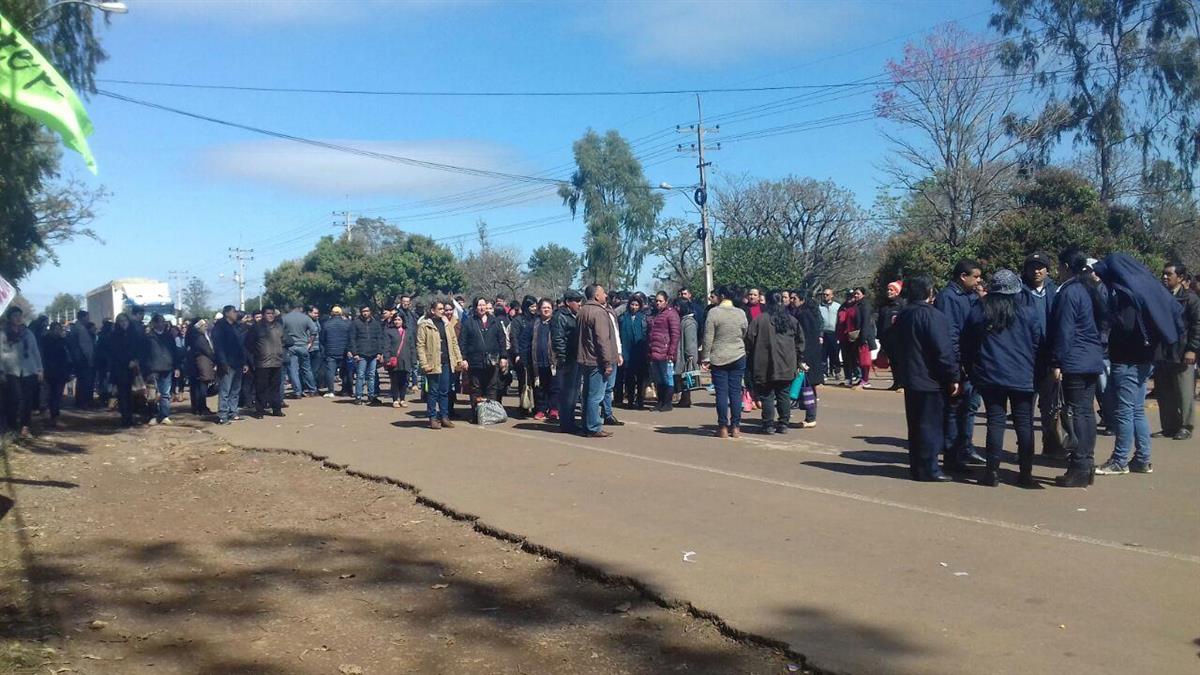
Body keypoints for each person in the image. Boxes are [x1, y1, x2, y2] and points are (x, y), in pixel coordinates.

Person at [1092, 254, 1185, 475]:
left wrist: (1109, 325)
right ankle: (1142, 459)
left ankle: (1119, 460)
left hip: (1126, 359)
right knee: (1136, 411)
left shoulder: (1125, 294)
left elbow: (1125, 326)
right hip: (1145, 358)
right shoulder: (1147, 288)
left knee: (1124, 412)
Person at [962, 270, 1044, 487]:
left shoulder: (980, 311)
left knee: (995, 422)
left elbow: (967, 343)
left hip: (990, 373)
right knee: (1024, 422)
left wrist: (973, 369)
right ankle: (1026, 473)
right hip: (1022, 374)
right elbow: (1038, 343)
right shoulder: (1027, 312)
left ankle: (992, 472)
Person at [892, 276, 960, 481]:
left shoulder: (904, 315)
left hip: (911, 377)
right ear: (929, 293)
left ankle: (918, 466)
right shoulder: (932, 316)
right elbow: (943, 350)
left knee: (916, 425)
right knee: (930, 426)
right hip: (930, 379)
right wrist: (953, 375)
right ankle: (930, 468)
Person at [1049, 249, 1106, 487]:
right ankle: (1085, 463)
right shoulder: (1089, 290)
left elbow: (1065, 330)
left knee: (1075, 412)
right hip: (1091, 357)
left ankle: (1079, 464)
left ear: (1065, 266)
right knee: (1085, 412)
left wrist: (1056, 361)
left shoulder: (1070, 291)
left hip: (1076, 359)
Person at [935, 259, 985, 470]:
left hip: (975, 361)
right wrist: (956, 366)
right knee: (954, 409)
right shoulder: (948, 297)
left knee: (971, 407)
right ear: (963, 276)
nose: (979, 280)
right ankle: (952, 455)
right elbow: (950, 333)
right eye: (975, 276)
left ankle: (965, 447)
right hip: (959, 362)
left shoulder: (972, 296)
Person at [1021, 252, 1065, 458]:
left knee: (1050, 406)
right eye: (1033, 267)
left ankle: (1052, 444)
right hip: (1027, 358)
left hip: (1049, 357)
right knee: (1025, 407)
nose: (1037, 270)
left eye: (1041, 267)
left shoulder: (1054, 291)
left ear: (1048, 270)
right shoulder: (1019, 292)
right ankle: (1025, 448)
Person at [746, 292, 805, 435]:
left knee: (767, 395)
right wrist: (798, 359)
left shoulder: (760, 320)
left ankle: (768, 425)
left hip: (764, 364)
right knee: (783, 394)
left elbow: (749, 340)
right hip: (786, 364)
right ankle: (783, 424)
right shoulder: (791, 320)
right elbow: (800, 342)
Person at [1153, 263, 1198, 441]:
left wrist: (1192, 350)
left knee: (1184, 392)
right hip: (1162, 352)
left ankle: (1186, 426)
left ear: (1180, 278)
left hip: (1182, 352)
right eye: (1163, 274)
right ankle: (1169, 426)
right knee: (1164, 392)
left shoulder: (1190, 299)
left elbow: (1197, 325)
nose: (1164, 277)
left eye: (1169, 274)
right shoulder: (1159, 296)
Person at [702, 285, 749, 438]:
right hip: (738, 354)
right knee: (736, 392)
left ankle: (722, 427)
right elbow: (744, 332)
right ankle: (736, 427)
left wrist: (705, 357)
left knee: (721, 393)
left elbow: (708, 337)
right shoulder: (740, 313)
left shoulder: (713, 313)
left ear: (722, 296)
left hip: (719, 356)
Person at [575, 284, 619, 438]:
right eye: (602, 293)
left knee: (587, 394)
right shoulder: (599, 312)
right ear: (596, 296)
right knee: (596, 396)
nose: (605, 295)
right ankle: (593, 426)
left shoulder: (582, 311)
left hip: (584, 359)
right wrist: (607, 362)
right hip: (596, 360)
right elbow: (602, 340)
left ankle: (587, 425)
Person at [417, 300, 467, 429]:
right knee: (433, 392)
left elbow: (454, 343)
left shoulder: (447, 324)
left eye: (443, 309)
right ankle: (432, 417)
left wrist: (458, 359)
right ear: (432, 310)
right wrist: (424, 364)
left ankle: (444, 417)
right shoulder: (425, 325)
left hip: (446, 362)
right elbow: (420, 346)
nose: (442, 311)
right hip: (432, 363)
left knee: (445, 391)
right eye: (439, 309)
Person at [459, 298, 508, 417]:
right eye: (479, 305)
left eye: (483, 305)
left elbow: (502, 340)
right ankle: (477, 414)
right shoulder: (469, 323)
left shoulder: (495, 322)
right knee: (476, 388)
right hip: (474, 362)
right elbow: (463, 342)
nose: (481, 308)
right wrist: (464, 358)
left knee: (492, 388)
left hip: (492, 361)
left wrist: (503, 357)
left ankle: (491, 414)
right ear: (475, 307)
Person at [246, 305, 286, 418]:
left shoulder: (279, 326)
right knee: (261, 388)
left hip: (277, 362)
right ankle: (260, 411)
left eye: (272, 313)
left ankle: (276, 409)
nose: (270, 316)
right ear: (263, 315)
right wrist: (257, 353)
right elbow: (248, 344)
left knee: (275, 388)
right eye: (268, 313)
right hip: (262, 363)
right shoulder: (256, 328)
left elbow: (286, 339)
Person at [141, 314, 180, 426]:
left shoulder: (169, 336)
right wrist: (145, 369)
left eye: (162, 322)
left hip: (167, 368)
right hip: (152, 369)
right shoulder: (148, 337)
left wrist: (177, 367)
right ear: (153, 323)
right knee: (152, 394)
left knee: (165, 393)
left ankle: (164, 415)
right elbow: (143, 355)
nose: (161, 324)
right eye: (158, 322)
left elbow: (174, 352)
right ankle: (153, 415)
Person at [211, 305, 247, 425]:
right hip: (227, 363)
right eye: (234, 311)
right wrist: (222, 362)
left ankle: (233, 412)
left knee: (235, 389)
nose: (236, 313)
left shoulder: (236, 326)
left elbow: (241, 345)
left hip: (238, 362)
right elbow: (218, 347)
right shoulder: (220, 327)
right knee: (225, 389)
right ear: (227, 313)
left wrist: (244, 361)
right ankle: (222, 414)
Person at [552, 290, 583, 432]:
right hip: (567, 359)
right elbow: (558, 339)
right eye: (576, 301)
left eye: (579, 300)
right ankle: (566, 423)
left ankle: (570, 421)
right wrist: (562, 358)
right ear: (567, 302)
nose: (579, 304)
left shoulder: (575, 315)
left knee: (574, 392)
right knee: (567, 393)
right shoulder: (560, 316)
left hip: (576, 357)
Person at [647, 291, 681, 412]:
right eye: (656, 300)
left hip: (666, 351)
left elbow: (675, 334)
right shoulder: (654, 314)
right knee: (658, 378)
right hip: (654, 351)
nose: (658, 303)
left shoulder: (671, 314)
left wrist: (671, 352)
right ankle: (660, 402)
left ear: (666, 301)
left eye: (660, 301)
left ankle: (667, 403)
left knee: (667, 377)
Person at [794, 294, 824, 427]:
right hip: (814, 354)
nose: (792, 300)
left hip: (807, 355)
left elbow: (802, 337)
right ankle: (810, 416)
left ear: (802, 300)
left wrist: (801, 356)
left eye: (795, 298)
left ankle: (811, 417)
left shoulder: (803, 315)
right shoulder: (813, 314)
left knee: (807, 386)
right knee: (810, 386)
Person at [528, 299, 559, 420]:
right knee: (540, 388)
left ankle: (554, 409)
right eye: (543, 308)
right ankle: (541, 409)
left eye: (548, 308)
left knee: (554, 386)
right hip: (537, 362)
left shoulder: (556, 323)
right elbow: (525, 342)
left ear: (552, 309)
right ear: (539, 310)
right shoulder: (533, 324)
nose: (546, 310)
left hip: (553, 362)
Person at [348, 305, 384, 405]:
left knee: (372, 375)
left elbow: (379, 339)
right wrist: (355, 353)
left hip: (373, 353)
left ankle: (371, 396)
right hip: (361, 354)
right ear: (360, 312)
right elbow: (352, 339)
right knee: (360, 376)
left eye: (367, 311)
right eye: (363, 311)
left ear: (370, 312)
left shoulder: (376, 324)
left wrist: (380, 352)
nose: (365, 313)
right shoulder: (356, 323)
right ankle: (358, 396)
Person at [618, 294, 649, 410]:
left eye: (636, 305)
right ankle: (630, 401)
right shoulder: (622, 318)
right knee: (629, 379)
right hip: (627, 353)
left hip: (640, 353)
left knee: (641, 379)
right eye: (632, 304)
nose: (634, 307)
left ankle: (640, 401)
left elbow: (646, 334)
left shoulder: (643, 318)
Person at [281, 304, 318, 398]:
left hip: (291, 347)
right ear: (300, 309)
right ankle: (312, 389)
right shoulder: (305, 318)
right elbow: (314, 330)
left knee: (293, 370)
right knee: (307, 369)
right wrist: (310, 343)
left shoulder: (285, 318)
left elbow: (280, 331)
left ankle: (297, 392)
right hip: (303, 346)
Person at [39, 321, 71, 429]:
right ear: (51, 330)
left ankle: (54, 417)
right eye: (56, 329)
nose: (58, 331)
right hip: (48, 371)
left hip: (60, 372)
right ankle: (48, 416)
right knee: (48, 395)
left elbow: (66, 357)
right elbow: (41, 356)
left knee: (57, 396)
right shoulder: (44, 341)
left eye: (59, 329)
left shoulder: (63, 341)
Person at [876, 282, 906, 390]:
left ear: (897, 291)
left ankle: (902, 383)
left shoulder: (902, 304)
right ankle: (896, 382)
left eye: (892, 290)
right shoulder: (883, 306)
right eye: (888, 289)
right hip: (886, 338)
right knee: (892, 361)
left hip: (898, 339)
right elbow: (879, 322)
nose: (889, 292)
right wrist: (879, 337)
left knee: (900, 361)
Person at [185, 318, 216, 416]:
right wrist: (216, 360)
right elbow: (208, 351)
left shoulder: (193, 336)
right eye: (203, 325)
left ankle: (197, 408)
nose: (206, 326)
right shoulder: (199, 338)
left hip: (194, 365)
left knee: (196, 387)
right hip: (200, 365)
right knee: (201, 387)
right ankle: (201, 407)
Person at [320, 306, 351, 397]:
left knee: (330, 372)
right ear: (341, 313)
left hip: (330, 350)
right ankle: (345, 390)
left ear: (332, 313)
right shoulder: (347, 324)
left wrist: (326, 346)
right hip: (344, 351)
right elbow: (350, 338)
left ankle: (331, 391)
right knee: (344, 371)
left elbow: (322, 338)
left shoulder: (326, 324)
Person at [674, 296, 699, 409]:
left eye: (677, 306)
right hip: (683, 353)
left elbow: (691, 341)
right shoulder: (684, 321)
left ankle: (686, 398)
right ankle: (684, 398)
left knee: (686, 376)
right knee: (683, 377)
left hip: (686, 355)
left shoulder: (689, 323)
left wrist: (691, 356)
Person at [66, 309, 95, 407]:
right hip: (83, 359)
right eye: (87, 317)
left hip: (76, 358)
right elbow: (85, 346)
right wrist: (90, 359)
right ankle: (84, 402)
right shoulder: (81, 329)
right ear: (83, 317)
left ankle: (79, 401)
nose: (88, 319)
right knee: (85, 381)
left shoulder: (74, 328)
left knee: (80, 381)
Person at [818, 289, 842, 384]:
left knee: (835, 353)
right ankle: (824, 372)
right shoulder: (819, 307)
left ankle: (837, 371)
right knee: (823, 354)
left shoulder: (837, 306)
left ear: (832, 295)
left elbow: (840, 319)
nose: (825, 296)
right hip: (824, 333)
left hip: (834, 333)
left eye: (827, 294)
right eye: (823, 294)